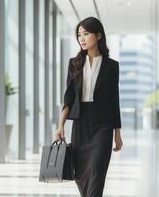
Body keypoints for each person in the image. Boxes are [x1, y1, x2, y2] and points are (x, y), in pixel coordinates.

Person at [54, 16, 123, 197]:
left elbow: (114, 100)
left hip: (103, 125)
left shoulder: (112, 66)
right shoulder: (74, 63)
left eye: (86, 34)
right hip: (81, 123)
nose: (81, 39)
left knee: (97, 173)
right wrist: (61, 125)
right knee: (82, 175)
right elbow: (68, 97)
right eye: (79, 35)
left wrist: (117, 133)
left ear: (98, 35)